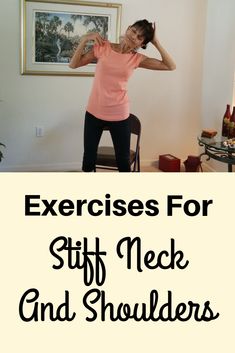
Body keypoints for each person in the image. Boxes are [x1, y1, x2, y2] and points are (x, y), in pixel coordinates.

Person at [69, 19, 176, 172]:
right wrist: (85, 39)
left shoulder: (136, 59)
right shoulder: (103, 47)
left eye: (140, 37)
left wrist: (156, 42)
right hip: (94, 111)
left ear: (142, 44)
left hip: (119, 114)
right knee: (88, 159)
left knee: (123, 162)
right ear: (127, 29)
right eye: (133, 31)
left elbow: (170, 66)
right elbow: (73, 64)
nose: (134, 36)